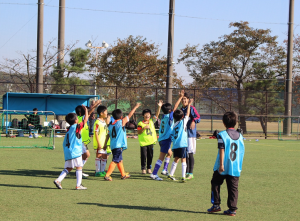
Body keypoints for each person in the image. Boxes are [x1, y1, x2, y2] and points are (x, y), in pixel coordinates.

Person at [207, 111, 245, 216]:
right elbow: (241, 151)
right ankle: (232, 209)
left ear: (224, 123)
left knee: (215, 183)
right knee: (233, 188)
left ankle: (216, 205)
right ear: (236, 122)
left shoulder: (222, 135)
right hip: (235, 166)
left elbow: (222, 149)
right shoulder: (240, 136)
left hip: (223, 166)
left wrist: (221, 165)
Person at [150, 91, 185, 181]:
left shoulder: (163, 116)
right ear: (170, 111)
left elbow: (156, 116)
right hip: (165, 140)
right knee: (161, 157)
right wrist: (180, 98)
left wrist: (159, 106)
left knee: (169, 153)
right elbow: (176, 107)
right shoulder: (169, 117)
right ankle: (154, 174)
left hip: (162, 139)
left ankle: (165, 170)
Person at [53, 105, 89, 190]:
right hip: (75, 151)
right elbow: (85, 120)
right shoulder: (76, 127)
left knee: (69, 168)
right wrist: (86, 110)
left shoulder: (69, 129)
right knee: (79, 166)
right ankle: (78, 185)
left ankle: (58, 180)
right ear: (76, 120)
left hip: (68, 151)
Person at [103, 103, 141, 181]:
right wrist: (135, 107)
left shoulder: (110, 125)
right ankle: (107, 175)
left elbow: (108, 135)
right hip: (118, 145)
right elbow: (130, 115)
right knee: (115, 160)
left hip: (113, 145)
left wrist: (105, 144)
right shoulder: (121, 122)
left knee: (119, 160)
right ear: (121, 117)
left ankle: (123, 174)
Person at [168, 98, 193, 183]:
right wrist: (189, 104)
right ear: (182, 116)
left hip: (175, 145)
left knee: (176, 159)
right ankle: (183, 176)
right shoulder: (183, 122)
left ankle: (171, 174)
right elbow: (188, 114)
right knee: (184, 160)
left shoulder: (173, 124)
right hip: (182, 144)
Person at [75, 100, 101, 178]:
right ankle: (79, 170)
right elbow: (90, 111)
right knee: (87, 155)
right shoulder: (81, 118)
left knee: (84, 156)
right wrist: (96, 104)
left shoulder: (79, 118)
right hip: (81, 140)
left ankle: (79, 170)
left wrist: (95, 105)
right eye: (84, 110)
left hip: (82, 141)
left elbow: (90, 111)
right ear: (80, 113)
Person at [181, 92, 200, 180]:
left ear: (188, 100)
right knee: (185, 153)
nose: (184, 100)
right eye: (182, 99)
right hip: (183, 135)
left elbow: (198, 117)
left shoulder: (192, 108)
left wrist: (193, 121)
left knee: (190, 153)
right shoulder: (181, 109)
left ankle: (190, 173)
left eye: (185, 99)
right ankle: (186, 171)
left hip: (190, 134)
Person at [137, 108, 158, 174]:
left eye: (148, 114)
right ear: (143, 115)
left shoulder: (152, 121)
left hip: (151, 142)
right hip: (143, 143)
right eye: (145, 114)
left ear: (150, 115)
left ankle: (149, 168)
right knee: (143, 156)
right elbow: (139, 132)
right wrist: (144, 128)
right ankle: (143, 168)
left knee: (150, 156)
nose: (147, 115)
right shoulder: (140, 123)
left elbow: (156, 116)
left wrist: (159, 107)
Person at [93, 105, 112, 177]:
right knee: (99, 156)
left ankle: (102, 171)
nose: (107, 113)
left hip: (104, 143)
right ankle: (97, 171)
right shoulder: (97, 122)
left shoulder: (104, 122)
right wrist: (99, 143)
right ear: (101, 113)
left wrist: (106, 143)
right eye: (106, 112)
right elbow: (96, 133)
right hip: (100, 143)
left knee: (104, 156)